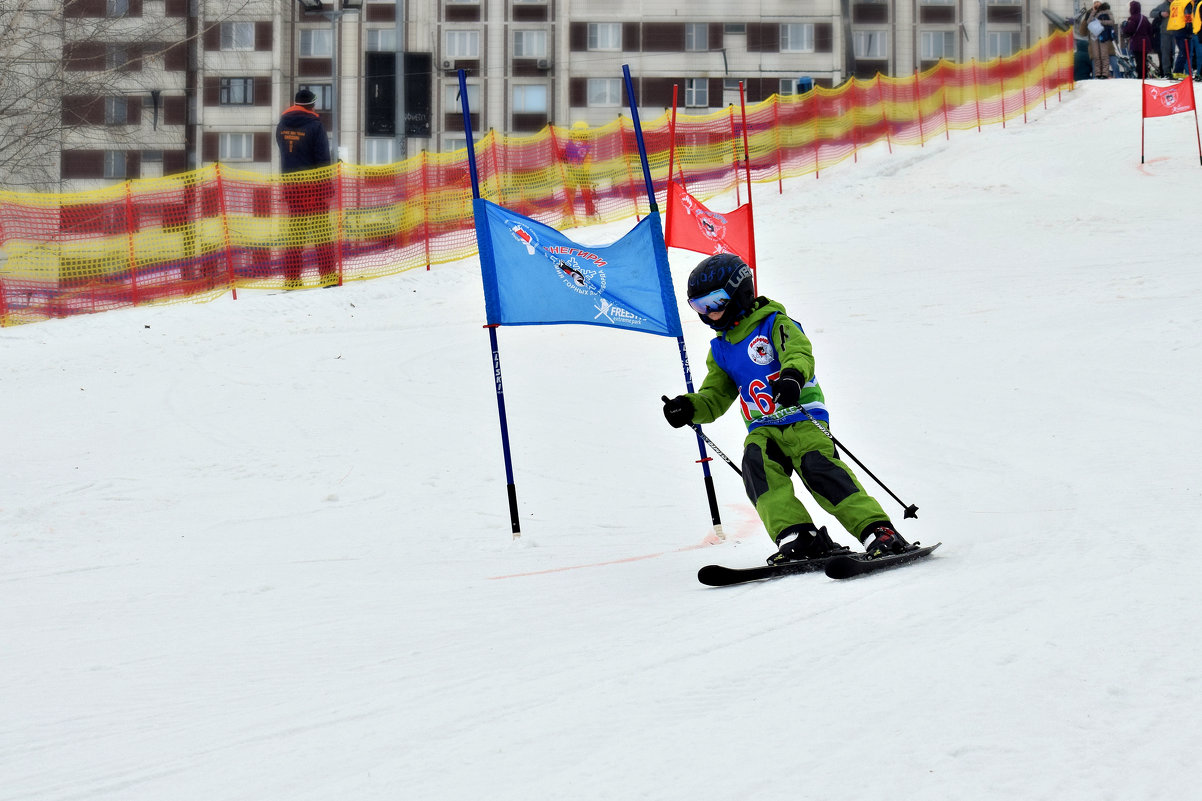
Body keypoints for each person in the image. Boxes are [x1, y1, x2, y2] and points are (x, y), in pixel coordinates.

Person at [660, 253, 908, 565]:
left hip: (802, 418)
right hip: (763, 428)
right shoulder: (721, 349)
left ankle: (878, 531)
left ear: (740, 292)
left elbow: (799, 352)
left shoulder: (774, 323)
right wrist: (688, 408)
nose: (709, 314)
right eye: (699, 306)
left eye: (715, 302)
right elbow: (714, 397)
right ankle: (797, 535)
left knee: (822, 473)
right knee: (757, 466)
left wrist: (791, 377)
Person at [274, 88, 337, 289]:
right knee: (322, 234)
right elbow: (322, 159)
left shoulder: (282, 125)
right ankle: (327, 277)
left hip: (292, 188)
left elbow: (285, 152)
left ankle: (292, 279)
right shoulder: (315, 126)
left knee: (295, 235)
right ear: (311, 104)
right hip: (314, 188)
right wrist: (327, 186)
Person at [1123, 1, 1157, 77]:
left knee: (1139, 60)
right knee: (1143, 60)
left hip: (1137, 42)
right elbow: (1150, 30)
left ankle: (1141, 76)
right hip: (1146, 42)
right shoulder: (1144, 18)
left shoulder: (1132, 18)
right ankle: (1144, 75)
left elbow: (1129, 30)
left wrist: (1124, 28)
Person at [1083, 2, 1115, 77]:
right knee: (1096, 55)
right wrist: (1093, 11)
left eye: (1098, 2)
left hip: (1103, 35)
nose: (1096, 4)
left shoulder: (1107, 11)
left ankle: (1104, 73)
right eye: (1095, 3)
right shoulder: (1092, 12)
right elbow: (1088, 21)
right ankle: (1097, 73)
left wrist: (1101, 22)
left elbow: (1112, 22)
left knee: (1104, 54)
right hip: (1094, 36)